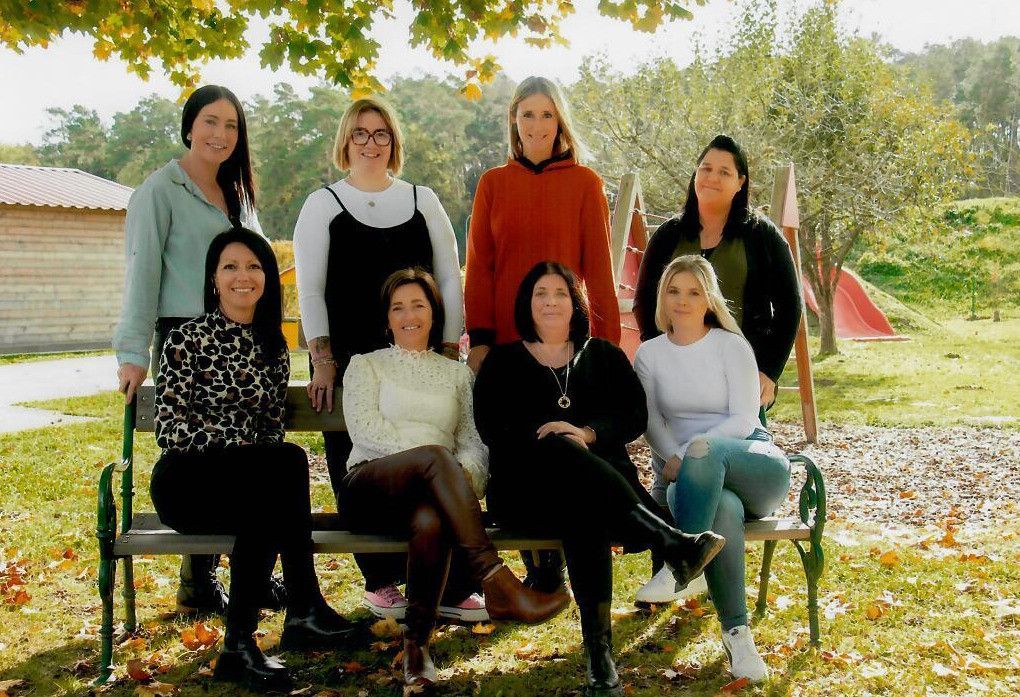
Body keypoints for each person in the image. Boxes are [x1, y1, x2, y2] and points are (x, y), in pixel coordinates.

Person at [473, 261, 725, 697]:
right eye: (540, 294)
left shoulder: (604, 356)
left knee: (583, 509)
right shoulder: (503, 362)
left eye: (560, 294)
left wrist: (587, 434)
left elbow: (633, 416)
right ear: (527, 304)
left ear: (576, 304)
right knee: (559, 448)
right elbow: (494, 429)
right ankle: (671, 543)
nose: (550, 302)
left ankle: (600, 660)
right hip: (525, 494)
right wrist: (554, 438)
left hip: (598, 496)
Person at [341, 268, 571, 690]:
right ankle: (494, 577)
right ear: (387, 319)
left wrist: (455, 477)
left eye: (419, 305)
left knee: (431, 520)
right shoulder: (365, 365)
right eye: (398, 308)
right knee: (434, 457)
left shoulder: (458, 376)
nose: (409, 315)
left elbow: (473, 445)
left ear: (434, 314)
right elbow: (367, 432)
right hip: (371, 487)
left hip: (432, 501)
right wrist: (432, 467)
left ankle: (416, 649)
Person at [293, 96, 473, 622]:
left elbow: (448, 280)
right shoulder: (322, 204)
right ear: (345, 141)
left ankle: (451, 582)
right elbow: (310, 290)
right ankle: (379, 580)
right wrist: (321, 358)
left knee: (431, 448)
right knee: (360, 460)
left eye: (381, 134)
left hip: (420, 357)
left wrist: (448, 350)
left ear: (394, 142)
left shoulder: (423, 200)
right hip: (349, 360)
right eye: (360, 133)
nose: (371, 143)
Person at [150, 229, 353, 691]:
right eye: (230, 267)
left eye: (254, 267)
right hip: (187, 483)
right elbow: (170, 430)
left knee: (271, 484)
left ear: (267, 278)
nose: (243, 276)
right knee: (282, 464)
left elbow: (269, 430)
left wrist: (251, 455)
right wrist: (234, 448)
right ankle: (303, 608)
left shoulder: (271, 346)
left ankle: (240, 646)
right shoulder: (187, 339)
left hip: (249, 486)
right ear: (214, 279)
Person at [113, 84, 271, 617]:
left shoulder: (240, 195)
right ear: (188, 126)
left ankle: (249, 569)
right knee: (203, 456)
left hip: (243, 338)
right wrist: (132, 352)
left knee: (248, 450)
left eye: (231, 126)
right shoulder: (160, 191)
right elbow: (142, 274)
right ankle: (198, 579)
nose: (220, 135)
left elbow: (258, 263)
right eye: (210, 122)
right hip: (187, 340)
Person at [464, 75, 622, 592]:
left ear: (561, 122)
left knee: (567, 436)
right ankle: (540, 559)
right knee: (523, 441)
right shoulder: (493, 183)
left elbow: (597, 267)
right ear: (513, 119)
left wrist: (605, 343)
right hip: (511, 342)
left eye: (547, 114)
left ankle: (575, 544)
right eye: (527, 114)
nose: (536, 124)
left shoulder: (585, 183)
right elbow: (480, 266)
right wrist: (481, 338)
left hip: (565, 340)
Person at [631, 134, 801, 605]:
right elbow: (648, 301)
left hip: (740, 378)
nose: (712, 177)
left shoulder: (760, 234)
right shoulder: (669, 235)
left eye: (725, 171)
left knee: (722, 465)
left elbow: (788, 307)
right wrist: (664, 357)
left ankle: (685, 567)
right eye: (706, 168)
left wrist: (769, 369)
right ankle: (675, 570)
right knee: (683, 473)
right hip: (680, 378)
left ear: (741, 182)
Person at [635, 255, 791, 683]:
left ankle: (680, 563)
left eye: (693, 292)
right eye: (673, 290)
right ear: (662, 298)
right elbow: (651, 421)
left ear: (709, 300)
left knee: (707, 450)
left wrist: (687, 455)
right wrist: (674, 458)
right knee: (721, 511)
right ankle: (739, 638)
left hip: (753, 463)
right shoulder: (649, 355)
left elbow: (744, 418)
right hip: (690, 483)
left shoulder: (731, 345)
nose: (682, 301)